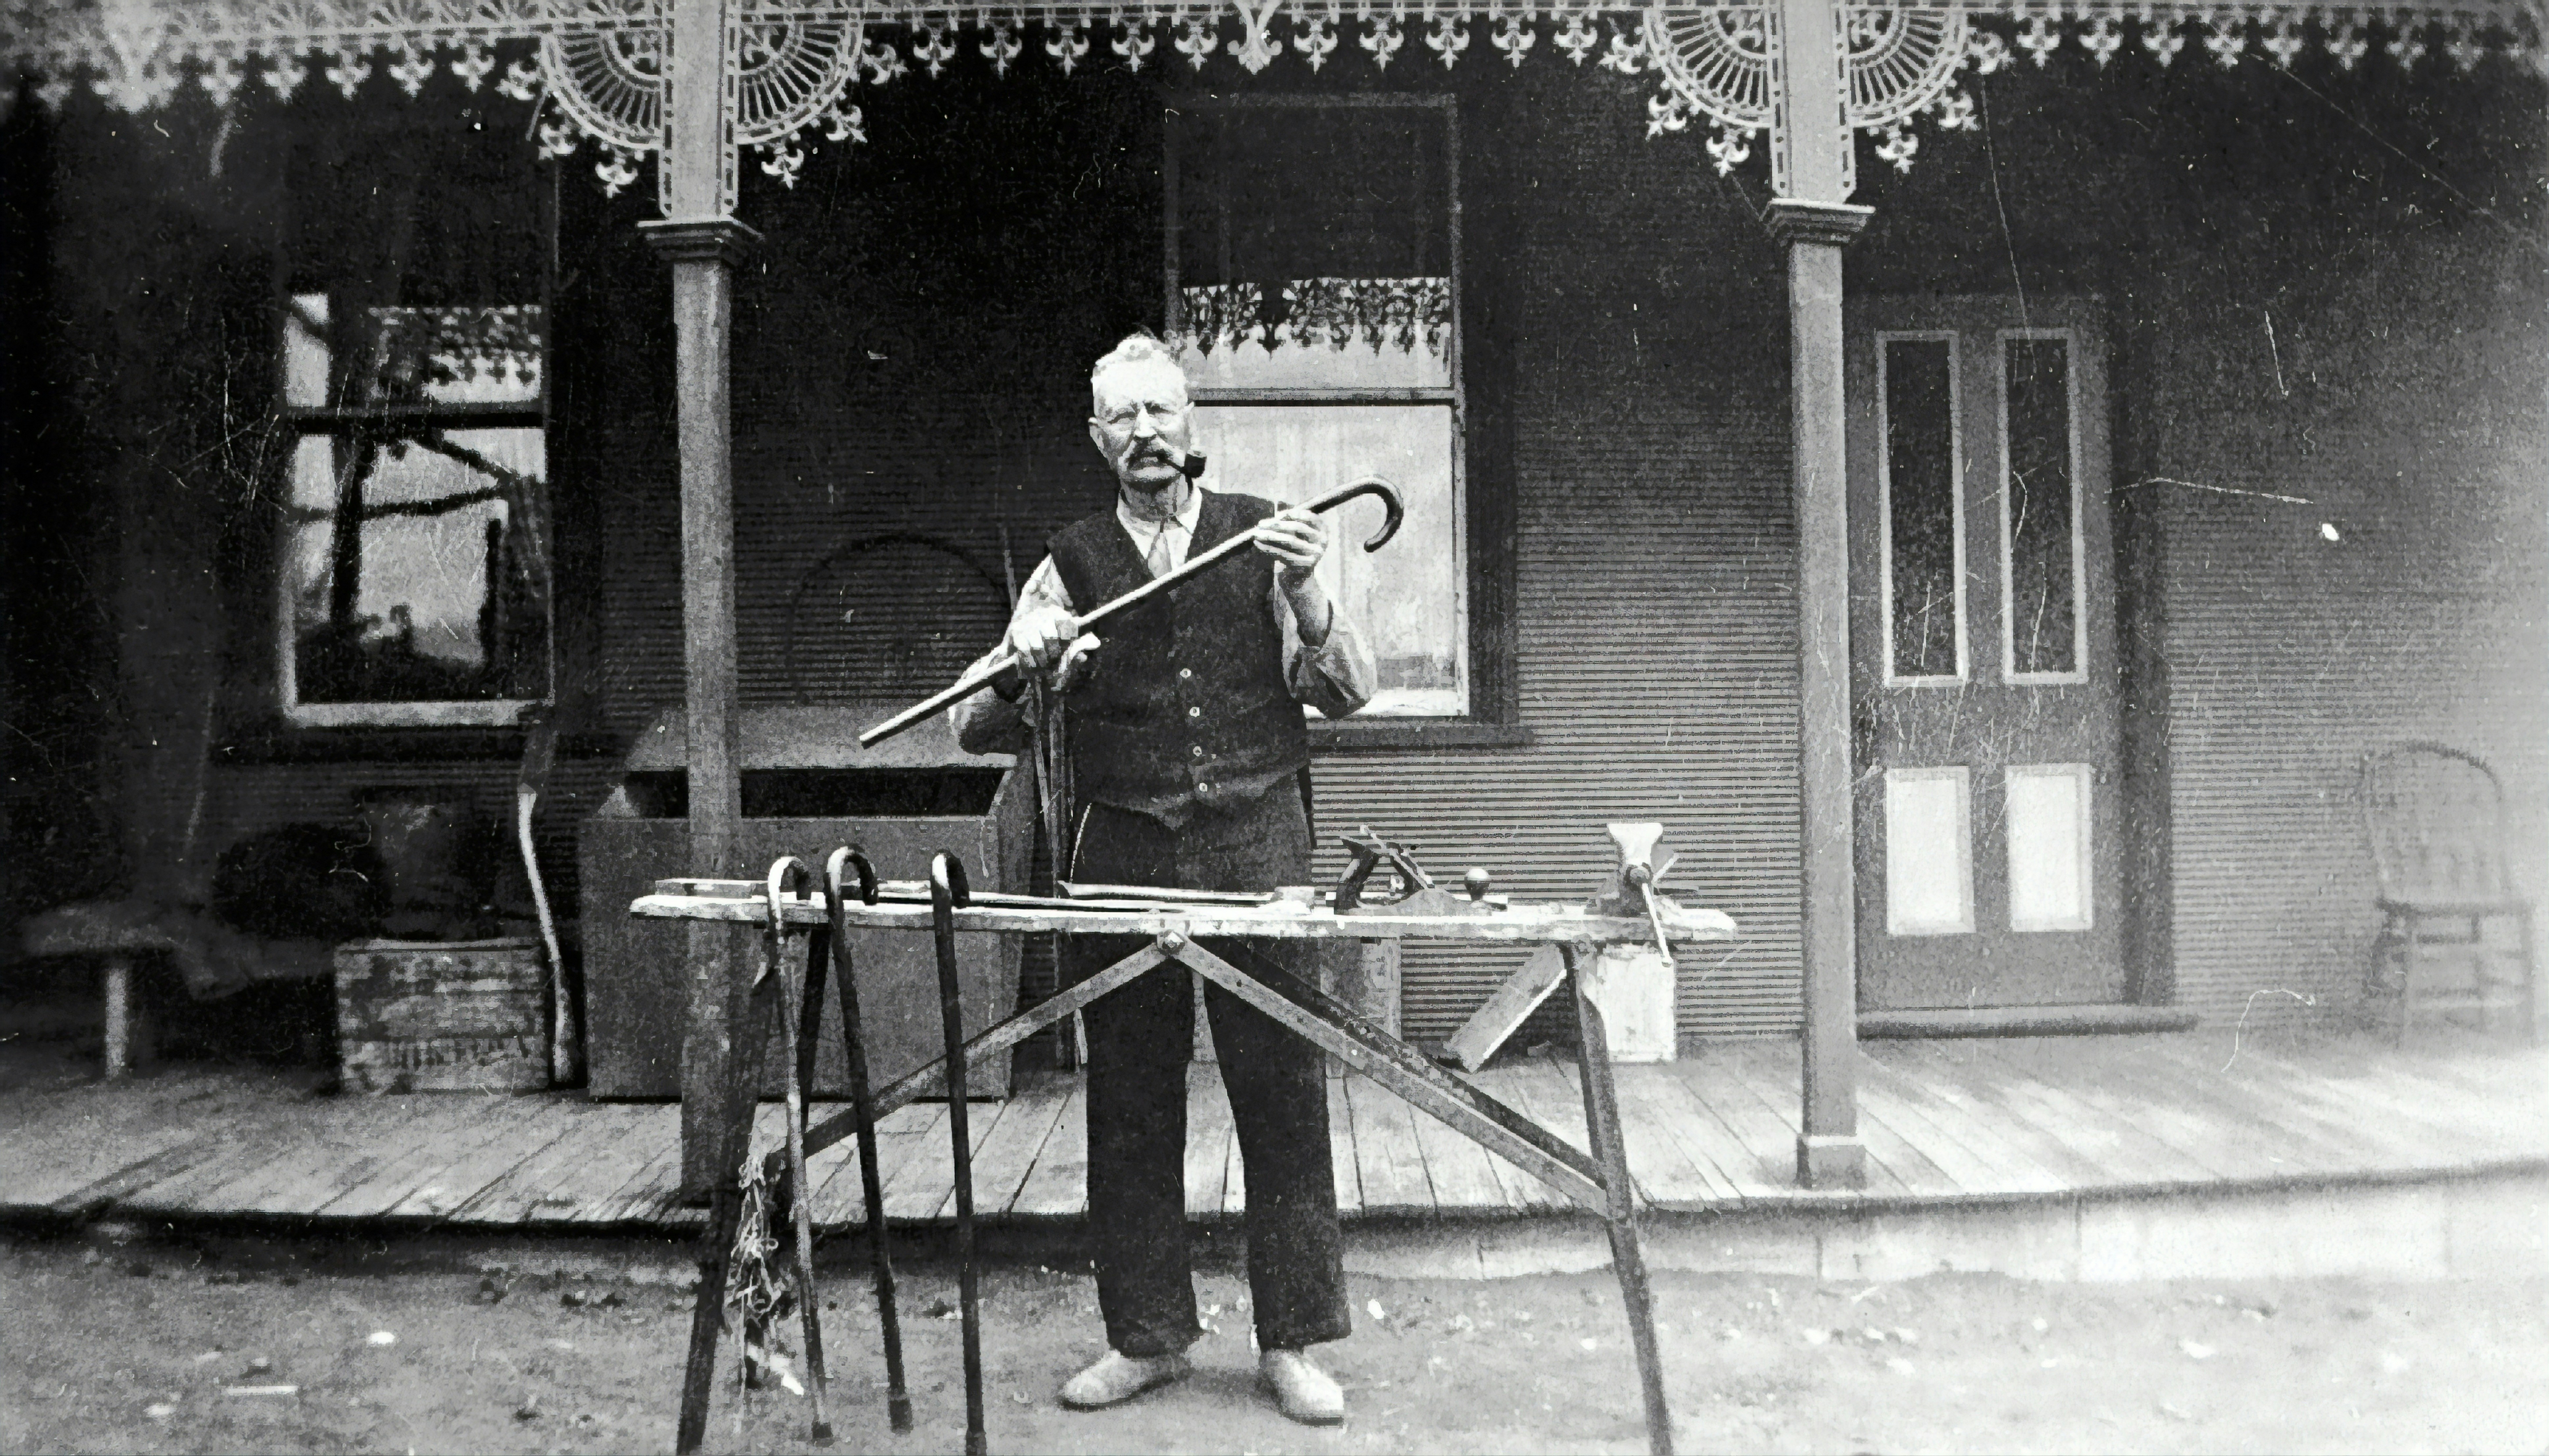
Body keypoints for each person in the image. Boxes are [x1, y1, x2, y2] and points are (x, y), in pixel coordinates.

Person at [951, 331, 1371, 1425]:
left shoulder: (1266, 539)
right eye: (1123, 418)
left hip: (1257, 846)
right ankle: (1147, 1339)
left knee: (1279, 1091)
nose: (1146, 434)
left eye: (1162, 413)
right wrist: (1033, 665)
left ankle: (1293, 1342)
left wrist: (1312, 592)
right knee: (1131, 1098)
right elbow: (969, 724)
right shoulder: (1068, 563)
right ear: (1099, 440)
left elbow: (1349, 692)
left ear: (1193, 426)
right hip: (1122, 848)